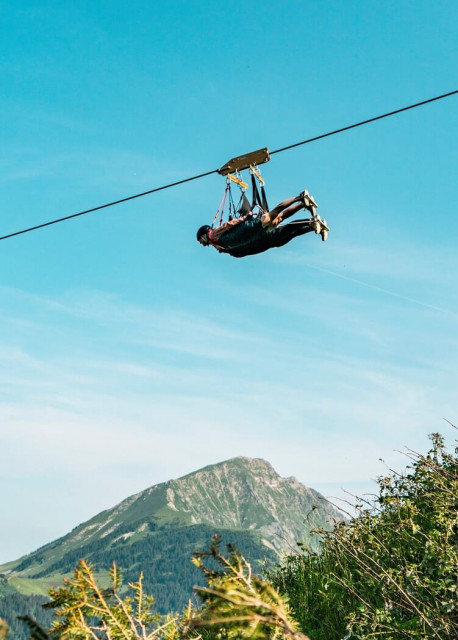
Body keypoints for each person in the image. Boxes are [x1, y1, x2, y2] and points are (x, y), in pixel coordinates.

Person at [196, 191, 328, 258]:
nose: (202, 243)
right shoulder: (216, 243)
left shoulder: (213, 234)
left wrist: (243, 218)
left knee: (276, 213)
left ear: (204, 235)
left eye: (201, 240)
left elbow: (228, 225)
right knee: (279, 218)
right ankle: (304, 206)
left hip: (252, 226)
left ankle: (300, 197)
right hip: (254, 232)